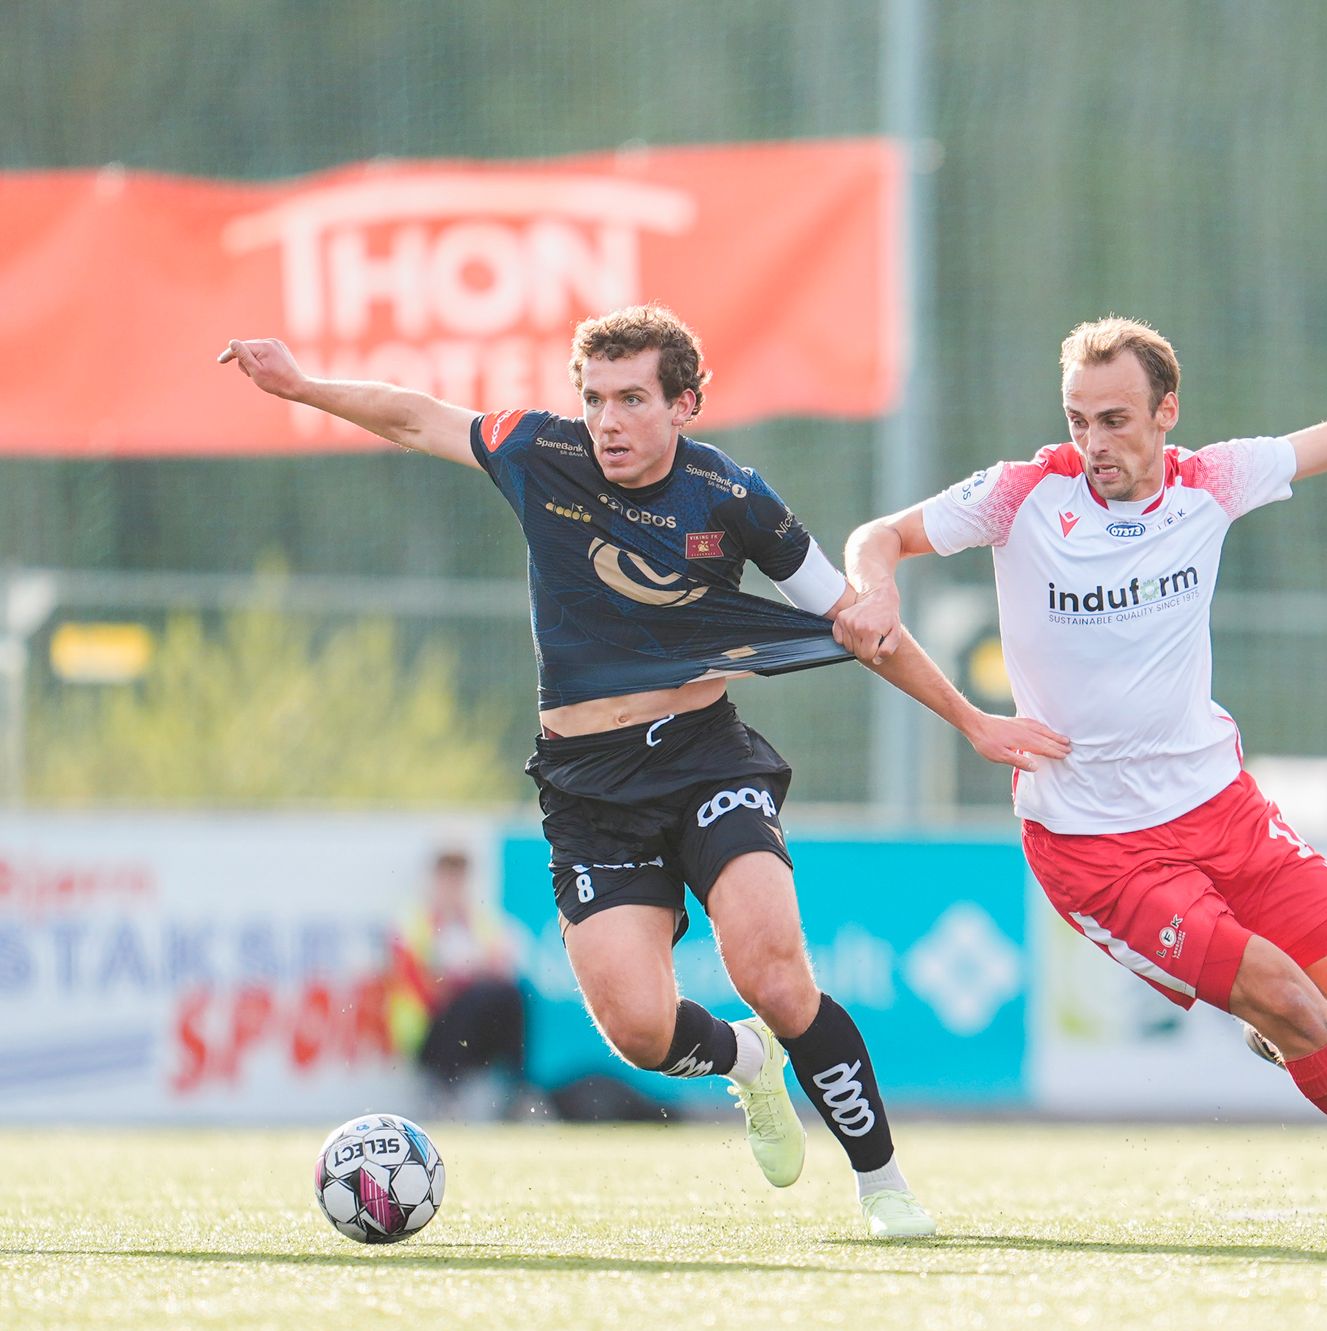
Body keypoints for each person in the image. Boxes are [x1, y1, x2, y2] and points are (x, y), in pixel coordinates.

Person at [220, 305, 1067, 1239]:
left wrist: (971, 718)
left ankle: (885, 1187)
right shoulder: (540, 452)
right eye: (594, 398)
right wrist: (301, 386)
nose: (608, 420)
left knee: (775, 973)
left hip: (706, 759)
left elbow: (860, 625)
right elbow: (417, 415)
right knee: (638, 1030)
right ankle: (747, 1063)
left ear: (685, 404)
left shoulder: (735, 498)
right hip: (588, 787)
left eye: (631, 398)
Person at [838, 315, 1327, 1231]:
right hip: (1100, 848)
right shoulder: (1022, 494)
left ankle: (1282, 1029)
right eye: (1079, 419)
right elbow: (876, 536)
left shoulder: (1211, 481)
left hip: (1223, 807)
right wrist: (882, 583)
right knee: (1294, 997)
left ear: (1167, 411)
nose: (1094, 443)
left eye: (1116, 419)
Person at [386, 849, 533, 1118]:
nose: (453, 886)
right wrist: (461, 975)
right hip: (426, 1031)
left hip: (474, 1027)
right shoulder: (414, 921)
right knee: (475, 996)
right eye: (447, 878)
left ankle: (518, 1090)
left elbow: (503, 966)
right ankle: (443, 1089)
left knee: (512, 995)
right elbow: (421, 983)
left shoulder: (479, 921)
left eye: (458, 878)